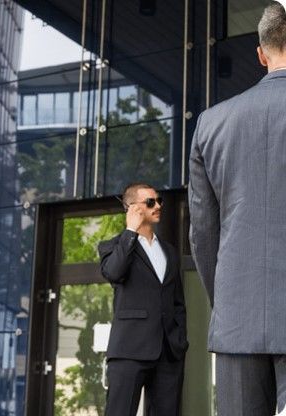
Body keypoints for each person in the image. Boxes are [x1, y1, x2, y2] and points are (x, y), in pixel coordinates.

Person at [188, 3, 286, 414]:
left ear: (261, 54)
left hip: (237, 321)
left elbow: (203, 233)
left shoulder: (211, 122)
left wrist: (228, 300)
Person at [98, 183, 187, 416]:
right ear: (131, 207)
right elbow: (115, 272)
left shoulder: (169, 251)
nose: (157, 206)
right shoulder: (114, 246)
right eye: (150, 202)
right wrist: (130, 231)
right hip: (129, 348)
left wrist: (180, 339)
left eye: (159, 201)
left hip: (168, 351)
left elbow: (177, 301)